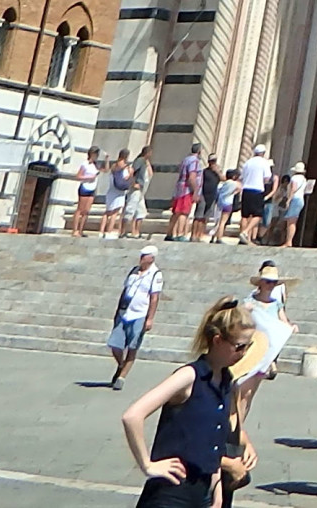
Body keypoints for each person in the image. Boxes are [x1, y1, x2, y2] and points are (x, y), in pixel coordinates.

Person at [119, 297, 256, 508]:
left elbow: (214, 443)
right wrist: (148, 465)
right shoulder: (189, 376)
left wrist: (216, 488)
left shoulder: (227, 382)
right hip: (171, 493)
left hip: (203, 493)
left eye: (248, 346)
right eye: (239, 347)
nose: (243, 353)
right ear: (218, 340)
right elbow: (132, 416)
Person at [233, 263, 293, 427]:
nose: (270, 285)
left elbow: (283, 321)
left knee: (250, 393)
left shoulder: (276, 304)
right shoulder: (250, 302)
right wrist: (245, 310)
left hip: (265, 354)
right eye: (267, 281)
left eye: (273, 282)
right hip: (249, 351)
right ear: (260, 282)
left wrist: (290, 327)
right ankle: (233, 425)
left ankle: (239, 426)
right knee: (240, 390)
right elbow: (239, 322)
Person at [108, 246, 165, 390]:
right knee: (115, 344)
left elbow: (154, 298)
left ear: (151, 258)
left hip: (140, 314)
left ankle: (121, 377)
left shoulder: (155, 274)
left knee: (133, 347)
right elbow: (125, 290)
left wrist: (150, 318)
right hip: (125, 312)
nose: (141, 259)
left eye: (144, 256)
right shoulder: (134, 271)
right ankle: (121, 365)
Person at [236, 145, 273, 246]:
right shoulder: (264, 163)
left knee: (245, 215)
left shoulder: (248, 162)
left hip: (246, 190)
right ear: (263, 153)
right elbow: (267, 178)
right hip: (257, 190)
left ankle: (243, 238)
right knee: (258, 214)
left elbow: (242, 177)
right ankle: (245, 232)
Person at [168, 145, 203, 242]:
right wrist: (195, 191)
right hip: (187, 190)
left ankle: (170, 233)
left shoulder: (185, 160)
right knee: (184, 212)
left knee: (176, 212)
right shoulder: (194, 161)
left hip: (179, 189)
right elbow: (192, 177)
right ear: (199, 151)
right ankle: (180, 234)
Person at [103, 152, 135, 238]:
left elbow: (107, 171)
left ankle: (102, 231)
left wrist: (107, 160)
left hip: (111, 190)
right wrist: (131, 174)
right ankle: (109, 231)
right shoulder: (126, 168)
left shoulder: (114, 166)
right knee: (115, 213)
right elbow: (128, 178)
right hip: (120, 192)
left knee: (107, 212)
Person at [72, 148, 102, 237]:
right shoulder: (85, 164)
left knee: (86, 210)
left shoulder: (95, 165)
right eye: (95, 154)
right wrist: (88, 177)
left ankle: (81, 230)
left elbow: (106, 169)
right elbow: (78, 176)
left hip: (92, 188)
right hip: (85, 187)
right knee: (80, 209)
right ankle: (75, 230)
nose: (96, 156)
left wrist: (107, 159)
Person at [125, 153, 155, 239]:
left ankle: (136, 232)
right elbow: (131, 172)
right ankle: (127, 231)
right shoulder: (139, 162)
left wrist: (148, 162)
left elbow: (150, 174)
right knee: (131, 210)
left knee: (141, 212)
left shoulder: (145, 163)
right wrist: (133, 183)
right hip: (136, 190)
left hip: (141, 192)